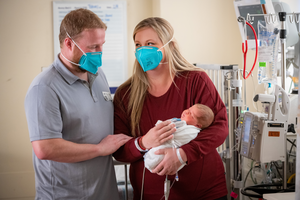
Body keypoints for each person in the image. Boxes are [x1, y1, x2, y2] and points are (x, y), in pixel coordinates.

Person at [113, 17, 228, 200]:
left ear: (170, 46)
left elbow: (220, 127)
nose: (142, 50)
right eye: (138, 45)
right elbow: (119, 149)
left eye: (150, 43)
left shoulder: (196, 81)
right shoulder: (125, 94)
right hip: (150, 194)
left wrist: (182, 154)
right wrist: (143, 142)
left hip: (204, 193)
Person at [24, 8, 131, 199]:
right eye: (93, 47)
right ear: (68, 43)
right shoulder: (44, 87)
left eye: (102, 45)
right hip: (66, 195)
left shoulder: (98, 75)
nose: (100, 53)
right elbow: (45, 148)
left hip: (104, 192)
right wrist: (100, 149)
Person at [144, 104, 215, 172]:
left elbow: (177, 137)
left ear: (198, 125)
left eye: (191, 114)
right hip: (160, 145)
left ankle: (151, 161)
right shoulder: (180, 122)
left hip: (169, 150)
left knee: (157, 156)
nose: (186, 112)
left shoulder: (191, 131)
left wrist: (166, 130)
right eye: (189, 109)